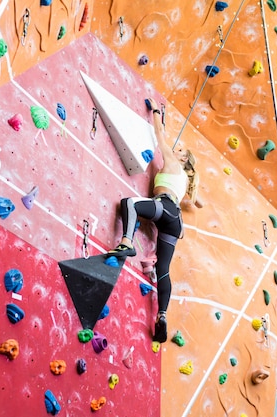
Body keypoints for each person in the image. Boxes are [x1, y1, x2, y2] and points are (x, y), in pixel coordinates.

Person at [108, 98, 203, 343]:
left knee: (129, 203)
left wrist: (158, 112)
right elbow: (195, 202)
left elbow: (160, 136)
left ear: (183, 160)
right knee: (163, 269)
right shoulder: (185, 182)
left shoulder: (172, 162)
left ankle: (126, 242)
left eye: (180, 151)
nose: (176, 151)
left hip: (165, 208)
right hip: (175, 221)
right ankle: (161, 314)